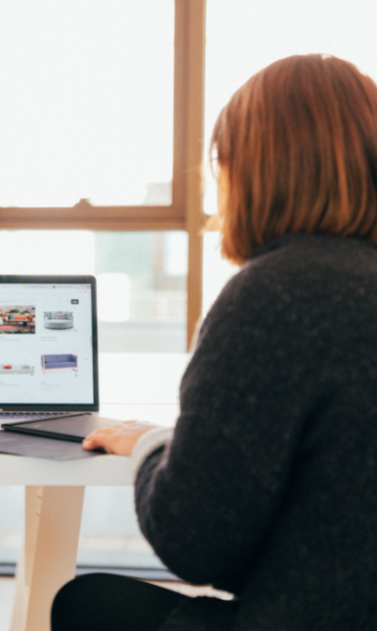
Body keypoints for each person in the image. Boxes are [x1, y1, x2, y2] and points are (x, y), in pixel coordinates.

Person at [53, 54, 377, 630]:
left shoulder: (276, 295)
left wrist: (154, 447)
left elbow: (196, 544)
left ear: (254, 170)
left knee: (84, 605)